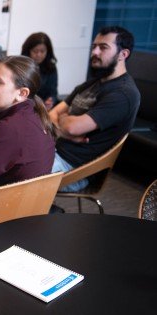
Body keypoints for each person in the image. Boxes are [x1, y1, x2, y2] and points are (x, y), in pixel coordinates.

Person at [49, 26, 140, 192]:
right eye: (94, 47)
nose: (95, 52)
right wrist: (64, 130)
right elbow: (51, 115)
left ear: (123, 54)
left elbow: (71, 126)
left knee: (15, 173)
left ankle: (45, 212)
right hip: (54, 150)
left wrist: (64, 121)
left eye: (103, 47)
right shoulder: (92, 83)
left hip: (74, 169)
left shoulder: (123, 94)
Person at [0, 55, 55, 188]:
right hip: (27, 204)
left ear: (22, 93)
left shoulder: (10, 129)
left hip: (1, 205)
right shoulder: (34, 114)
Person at [21, 32, 58, 110]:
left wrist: (51, 100)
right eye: (35, 51)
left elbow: (53, 91)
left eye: (42, 51)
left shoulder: (51, 67)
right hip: (24, 106)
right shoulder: (21, 66)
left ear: (48, 51)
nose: (39, 55)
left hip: (43, 107)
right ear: (28, 51)